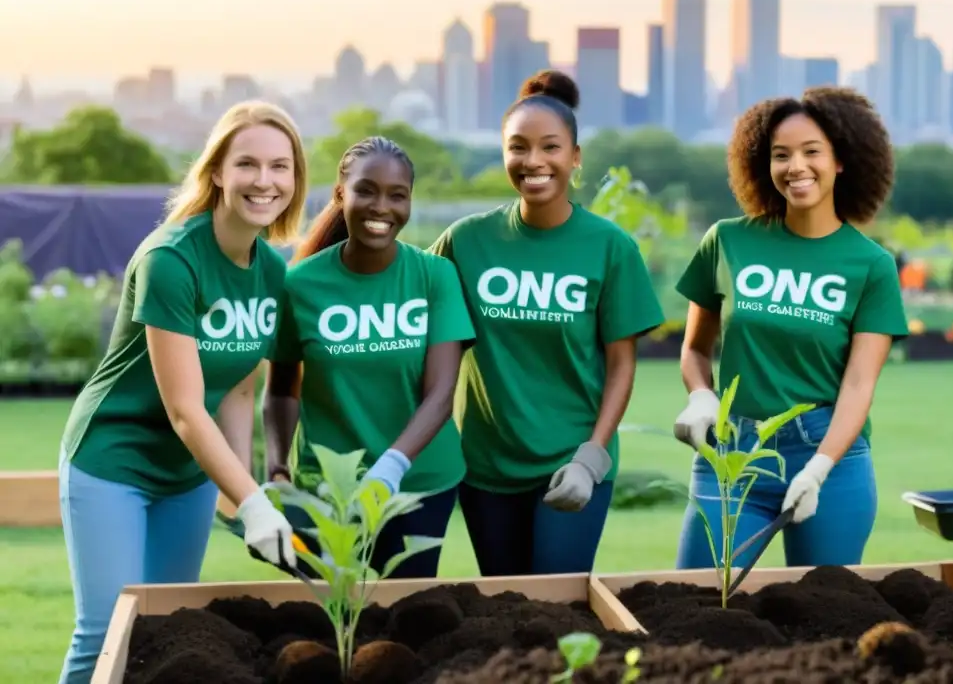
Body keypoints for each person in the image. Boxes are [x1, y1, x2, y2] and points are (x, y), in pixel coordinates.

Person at [57, 101, 309, 684]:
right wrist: (250, 504)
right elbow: (185, 409)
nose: (264, 180)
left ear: (295, 180)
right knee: (107, 635)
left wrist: (250, 492)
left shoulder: (272, 271)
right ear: (217, 171)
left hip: (186, 474)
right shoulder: (171, 260)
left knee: (166, 631)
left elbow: (238, 391)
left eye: (280, 166)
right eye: (247, 163)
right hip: (112, 461)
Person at [429, 71, 665, 577]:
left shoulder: (609, 247)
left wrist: (592, 457)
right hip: (484, 468)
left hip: (571, 461)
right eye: (518, 148)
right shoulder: (466, 240)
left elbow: (622, 365)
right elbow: (405, 297)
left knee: (560, 603)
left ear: (575, 157)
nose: (533, 161)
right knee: (507, 604)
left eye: (550, 147)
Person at [672, 87, 908, 570]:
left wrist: (818, 469)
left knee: (825, 616)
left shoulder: (871, 265)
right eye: (781, 155)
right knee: (695, 604)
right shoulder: (728, 241)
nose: (795, 166)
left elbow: (859, 384)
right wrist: (701, 395)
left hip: (829, 459)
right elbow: (695, 350)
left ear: (841, 160)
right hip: (733, 455)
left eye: (811, 152)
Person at [261, 136, 475, 579]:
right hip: (328, 489)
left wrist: (388, 472)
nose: (382, 207)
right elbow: (282, 389)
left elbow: (440, 393)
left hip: (419, 484)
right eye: (367, 191)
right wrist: (277, 467)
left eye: (398, 196)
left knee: (404, 619)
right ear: (341, 195)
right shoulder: (298, 284)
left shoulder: (435, 276)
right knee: (335, 621)